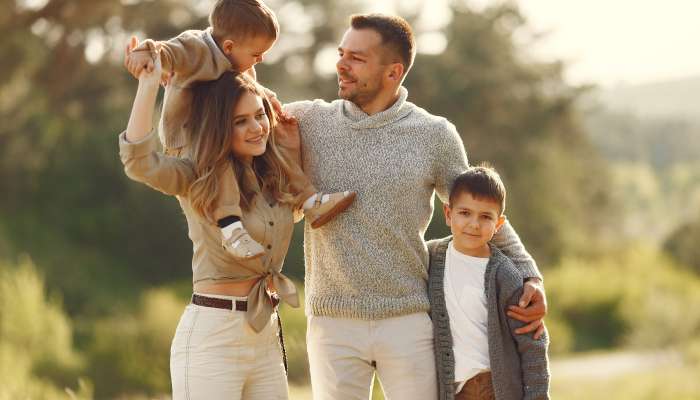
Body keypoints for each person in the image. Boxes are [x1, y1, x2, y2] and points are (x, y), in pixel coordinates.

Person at [282, 14, 548, 400]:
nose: (340, 64)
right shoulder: (307, 120)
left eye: (356, 57)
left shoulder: (434, 135)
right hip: (331, 322)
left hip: (408, 319)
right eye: (341, 53)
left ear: (393, 72)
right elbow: (239, 107)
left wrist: (530, 276)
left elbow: (480, 210)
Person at [119, 50, 301, 398]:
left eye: (259, 115)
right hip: (213, 338)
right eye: (240, 121)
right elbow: (139, 164)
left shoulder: (272, 176)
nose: (256, 127)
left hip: (265, 334)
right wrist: (147, 85)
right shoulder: (196, 176)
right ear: (219, 127)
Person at [124, 0, 355, 260]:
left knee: (275, 143)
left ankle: (310, 200)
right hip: (188, 140)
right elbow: (164, 52)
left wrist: (271, 104)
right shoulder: (197, 48)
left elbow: (246, 89)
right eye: (256, 54)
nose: (260, 59)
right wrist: (143, 55)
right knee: (220, 162)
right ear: (229, 46)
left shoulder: (238, 60)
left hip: (218, 135)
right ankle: (231, 228)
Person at [428, 166, 550, 400]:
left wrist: (537, 396)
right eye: (465, 213)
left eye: (485, 217)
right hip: (450, 388)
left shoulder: (505, 275)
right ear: (447, 213)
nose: (474, 224)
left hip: (493, 387)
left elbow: (532, 342)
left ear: (499, 224)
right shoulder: (431, 256)